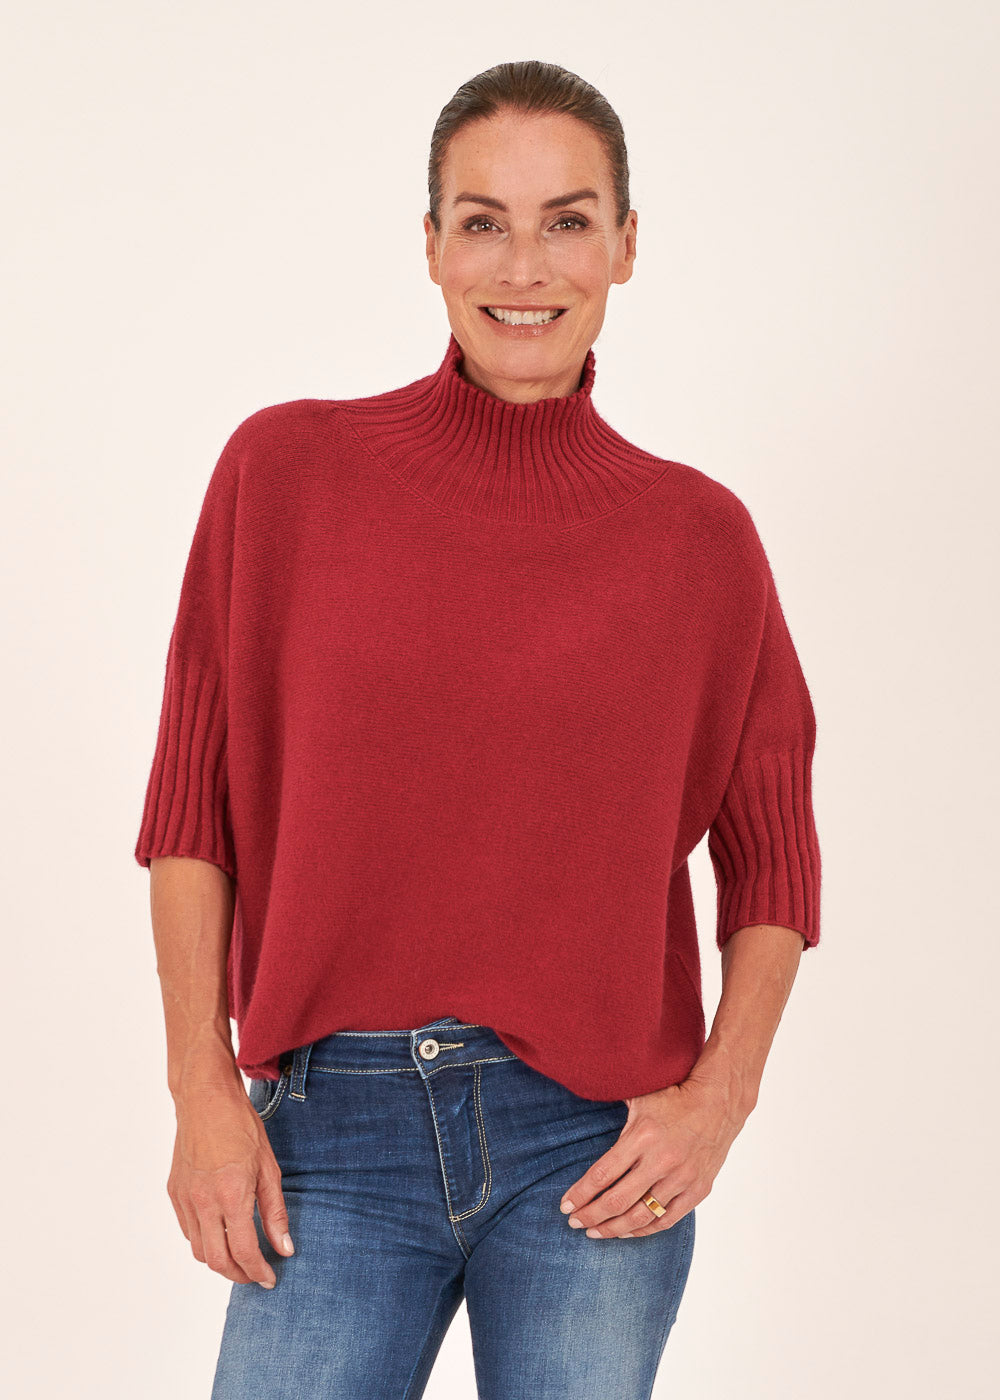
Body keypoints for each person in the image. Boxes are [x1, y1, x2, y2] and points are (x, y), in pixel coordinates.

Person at [134, 58, 822, 1400]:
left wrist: (720, 1101)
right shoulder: (285, 474)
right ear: (432, 243)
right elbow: (190, 815)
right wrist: (201, 1090)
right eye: (484, 220)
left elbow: (775, 868)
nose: (525, 265)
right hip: (327, 1138)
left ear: (626, 245)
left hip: (592, 1146)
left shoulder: (700, 540)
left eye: (568, 220)